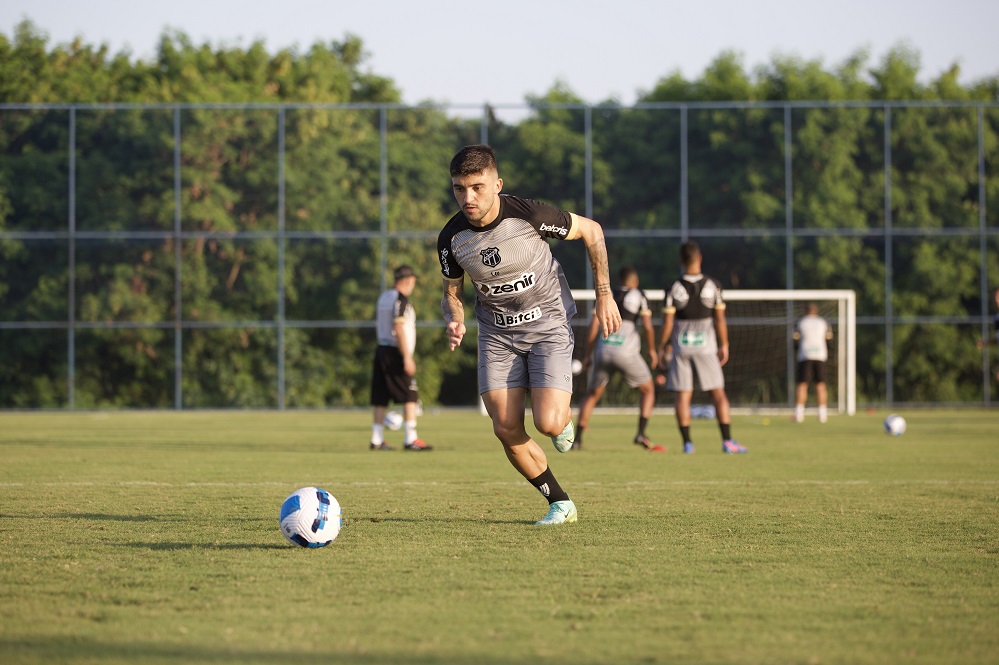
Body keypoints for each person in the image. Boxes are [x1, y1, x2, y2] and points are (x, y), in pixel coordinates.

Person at [438, 144, 621, 525]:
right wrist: (454, 318)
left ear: (497, 184)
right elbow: (452, 293)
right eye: (459, 188)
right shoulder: (451, 239)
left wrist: (604, 295)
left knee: (548, 423)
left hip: (547, 325)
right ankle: (559, 502)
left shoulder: (530, 215)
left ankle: (562, 421)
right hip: (496, 334)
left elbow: (592, 230)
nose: (467, 198)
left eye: (477, 187)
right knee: (504, 427)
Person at [657, 240, 745, 454]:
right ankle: (727, 441)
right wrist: (724, 344)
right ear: (700, 258)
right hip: (706, 345)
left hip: (681, 346)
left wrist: (661, 346)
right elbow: (720, 320)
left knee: (683, 396)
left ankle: (687, 443)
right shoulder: (713, 285)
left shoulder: (673, 287)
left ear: (681, 261)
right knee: (718, 394)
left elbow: (668, 323)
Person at [574, 266, 663, 452]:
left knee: (592, 394)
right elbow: (647, 327)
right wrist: (653, 351)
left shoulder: (606, 295)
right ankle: (641, 433)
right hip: (626, 352)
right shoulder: (639, 295)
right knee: (648, 390)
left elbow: (593, 328)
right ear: (635, 282)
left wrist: (588, 355)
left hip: (603, 350)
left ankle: (578, 440)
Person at [369, 265, 431, 451]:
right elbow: (398, 328)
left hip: (381, 348)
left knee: (381, 397)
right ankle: (411, 438)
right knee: (410, 394)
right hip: (396, 351)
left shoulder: (384, 297)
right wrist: (407, 357)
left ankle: (377, 439)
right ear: (409, 280)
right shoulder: (401, 300)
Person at [793, 302, 834, 423]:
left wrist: (798, 350)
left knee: (802, 385)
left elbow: (795, 340)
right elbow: (829, 340)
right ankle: (822, 415)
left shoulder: (800, 322)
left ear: (805, 311)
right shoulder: (823, 322)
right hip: (820, 356)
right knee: (820, 385)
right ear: (816, 311)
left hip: (805, 356)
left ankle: (799, 414)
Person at [976, 287, 999, 383]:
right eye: (994, 297)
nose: (996, 299)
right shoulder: (996, 318)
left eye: (998, 297)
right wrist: (985, 342)